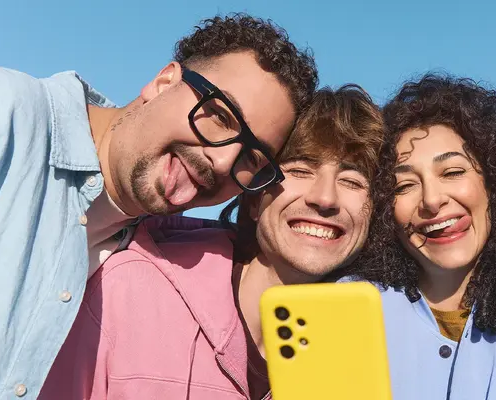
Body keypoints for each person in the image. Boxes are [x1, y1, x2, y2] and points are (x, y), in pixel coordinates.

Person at [0, 13, 317, 399]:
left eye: (252, 158)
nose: (224, 162)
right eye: (222, 117)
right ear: (163, 82)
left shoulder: (153, 244)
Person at [38, 84, 384, 399]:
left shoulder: (363, 348)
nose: (325, 198)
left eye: (352, 181)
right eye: (300, 171)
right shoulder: (125, 290)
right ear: (253, 198)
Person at [343, 74, 496, 399]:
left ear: (495, 182)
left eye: (453, 172)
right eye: (404, 185)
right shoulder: (347, 307)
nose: (432, 200)